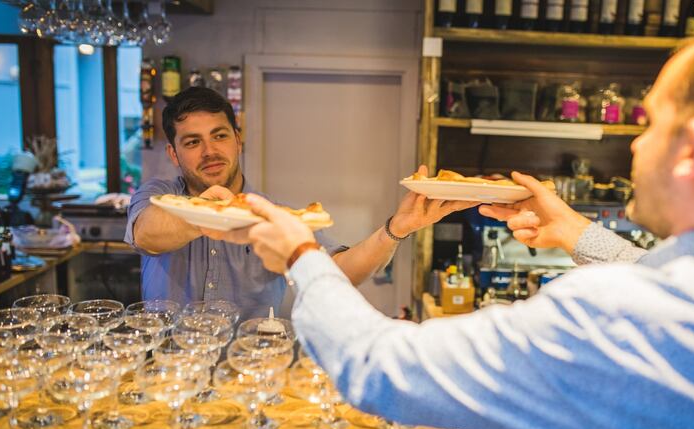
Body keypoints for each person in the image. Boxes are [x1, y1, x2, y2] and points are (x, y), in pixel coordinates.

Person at [234, 27, 694, 429]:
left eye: (652, 124)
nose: (637, 147)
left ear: (693, 149)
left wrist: (301, 256)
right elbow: (671, 278)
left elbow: (379, 367)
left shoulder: (622, 317)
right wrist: (572, 231)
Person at [124, 87, 475, 317]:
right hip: (169, 372)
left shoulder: (274, 215)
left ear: (238, 140)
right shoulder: (159, 195)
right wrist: (211, 212)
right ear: (173, 153)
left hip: (249, 370)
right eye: (192, 142)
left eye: (219, 136)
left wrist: (397, 229)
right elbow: (147, 234)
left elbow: (341, 271)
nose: (210, 151)